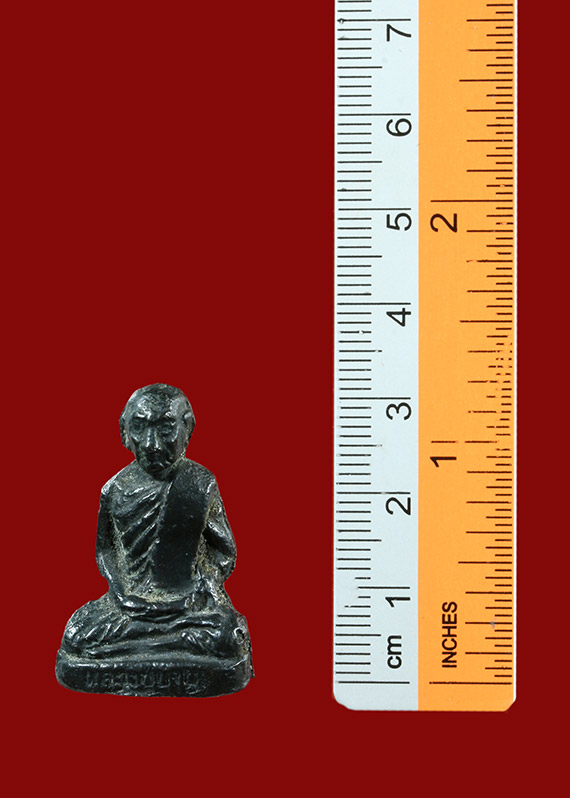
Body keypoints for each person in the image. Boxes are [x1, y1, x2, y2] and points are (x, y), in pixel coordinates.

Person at [58, 384, 251, 680]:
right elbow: (105, 551)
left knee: (227, 635)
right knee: (77, 633)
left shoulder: (199, 483)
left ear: (188, 429)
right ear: (125, 432)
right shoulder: (115, 489)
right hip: (128, 609)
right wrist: (121, 594)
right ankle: (164, 646)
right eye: (140, 427)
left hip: (186, 609)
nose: (152, 444)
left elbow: (223, 551)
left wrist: (205, 586)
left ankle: (144, 647)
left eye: (165, 429)